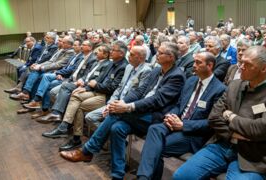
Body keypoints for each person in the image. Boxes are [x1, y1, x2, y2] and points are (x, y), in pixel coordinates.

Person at [59, 42, 186, 180]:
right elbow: (139, 91)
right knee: (117, 128)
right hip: (141, 113)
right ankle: (117, 175)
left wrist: (128, 107)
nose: (156, 55)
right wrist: (122, 102)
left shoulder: (176, 76)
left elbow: (157, 100)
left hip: (155, 118)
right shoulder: (156, 70)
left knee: (116, 114)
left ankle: (87, 151)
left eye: (160, 53)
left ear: (171, 57)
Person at [173, 46, 266, 180]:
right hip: (222, 144)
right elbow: (214, 117)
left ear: (263, 69)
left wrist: (230, 115)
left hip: (255, 155)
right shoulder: (235, 85)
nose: (240, 67)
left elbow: (260, 129)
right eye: (241, 62)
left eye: (247, 64)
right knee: (181, 176)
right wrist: (233, 134)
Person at [137, 51, 226, 180]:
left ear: (210, 65)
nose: (193, 65)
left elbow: (211, 123)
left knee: (155, 148)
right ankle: (145, 177)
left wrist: (183, 125)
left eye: (198, 62)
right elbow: (179, 105)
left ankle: (144, 177)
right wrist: (170, 115)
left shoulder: (219, 89)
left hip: (193, 134)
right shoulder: (191, 80)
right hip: (176, 122)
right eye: (194, 61)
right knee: (154, 129)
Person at [58, 46, 152, 151]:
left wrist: (115, 103)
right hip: (109, 98)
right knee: (77, 100)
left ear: (140, 57)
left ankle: (88, 141)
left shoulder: (142, 70)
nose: (129, 56)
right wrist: (109, 102)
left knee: (86, 111)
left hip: (123, 104)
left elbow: (137, 93)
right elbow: (119, 87)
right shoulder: (126, 67)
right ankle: (75, 135)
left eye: (132, 54)